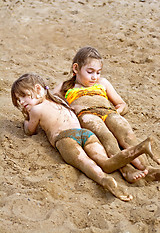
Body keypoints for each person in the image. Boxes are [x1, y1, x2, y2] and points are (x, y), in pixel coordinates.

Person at [11, 73, 159, 202]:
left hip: (65, 138)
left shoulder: (36, 109)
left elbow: (30, 130)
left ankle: (103, 179)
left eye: (23, 96)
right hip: (85, 134)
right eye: (18, 101)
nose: (21, 102)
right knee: (106, 162)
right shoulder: (60, 101)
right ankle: (140, 148)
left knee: (86, 163)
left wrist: (26, 119)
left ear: (38, 89)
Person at [53, 46, 160, 183]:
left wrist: (117, 113)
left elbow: (122, 104)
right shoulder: (67, 86)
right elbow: (51, 100)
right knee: (107, 138)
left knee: (127, 134)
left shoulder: (102, 83)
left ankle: (147, 168)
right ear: (76, 68)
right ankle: (126, 170)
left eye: (98, 72)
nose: (94, 77)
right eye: (90, 72)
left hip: (108, 111)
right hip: (87, 114)